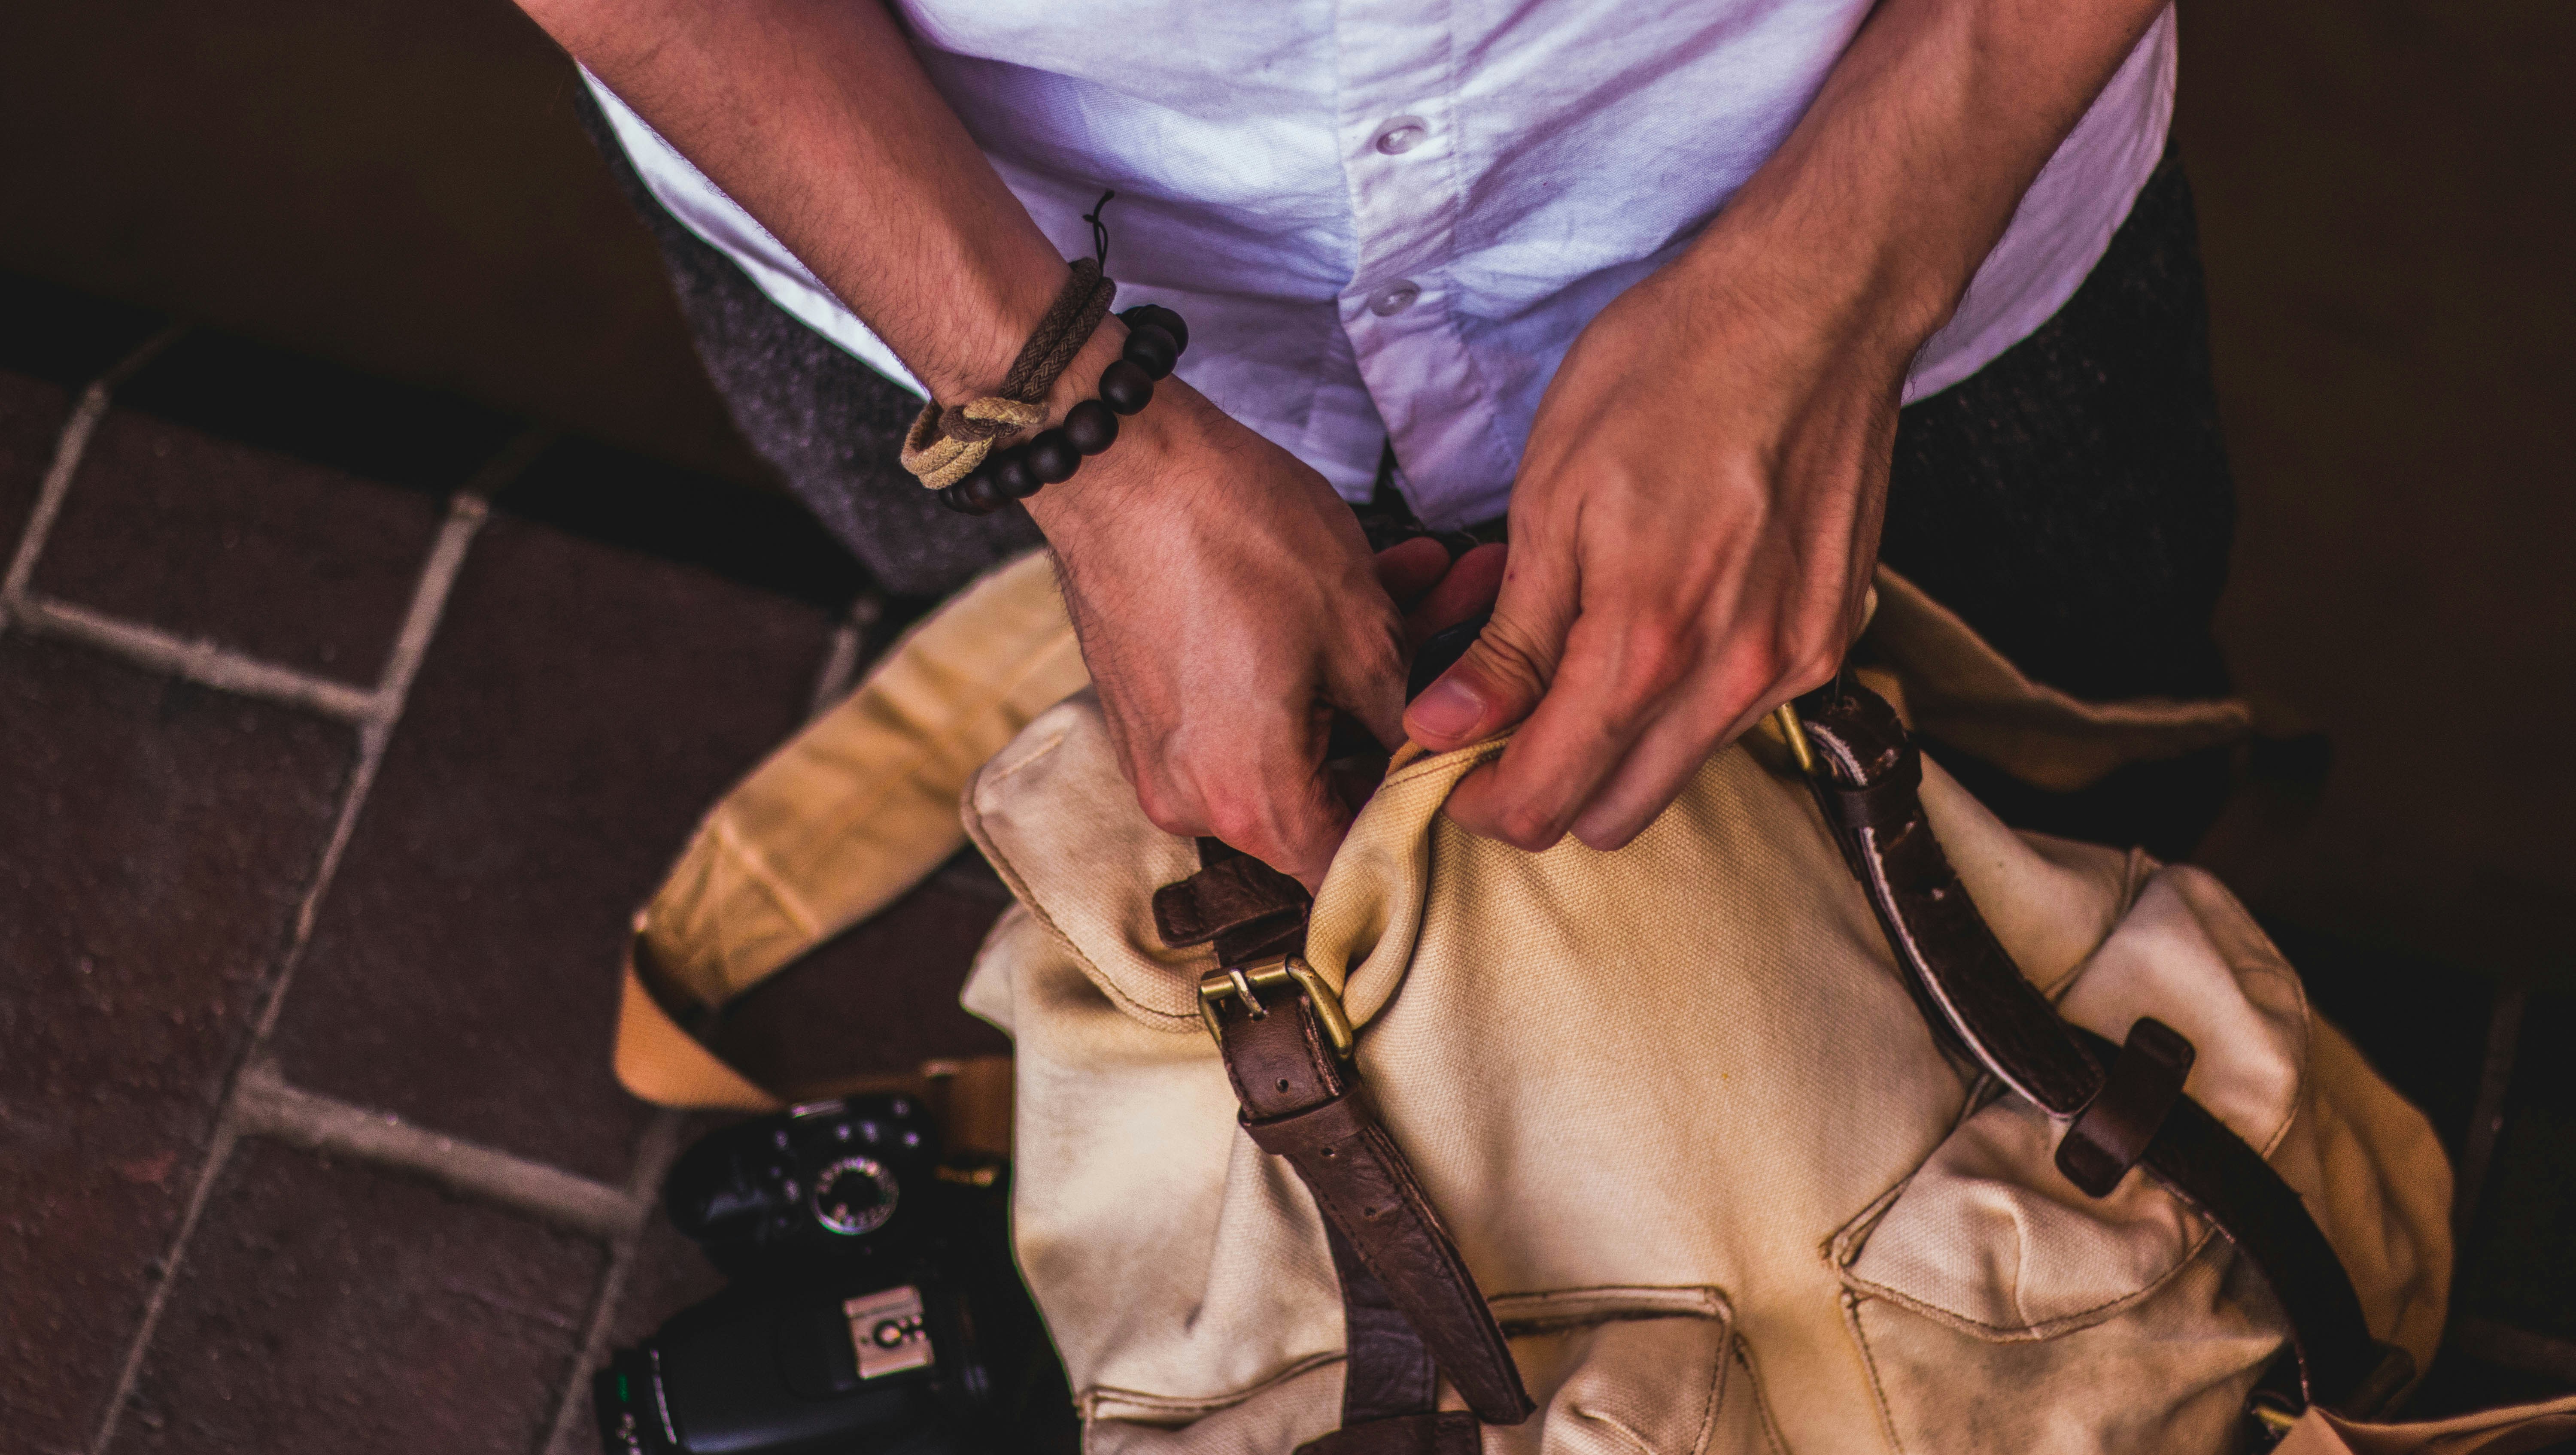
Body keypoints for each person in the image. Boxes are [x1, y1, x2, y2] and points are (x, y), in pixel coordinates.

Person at [520, 0, 2233, 890]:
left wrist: (1835, 294)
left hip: (1916, 206)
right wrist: (1073, 436)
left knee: (2080, 839)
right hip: (935, 246)